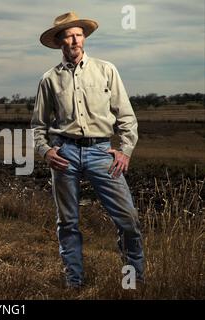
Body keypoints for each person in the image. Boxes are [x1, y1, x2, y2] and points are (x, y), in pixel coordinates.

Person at [31, 12, 144, 288]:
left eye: (78, 34)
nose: (74, 40)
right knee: (68, 222)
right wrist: (46, 151)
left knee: (128, 219)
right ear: (60, 42)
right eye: (68, 35)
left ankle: (135, 281)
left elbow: (126, 117)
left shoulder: (106, 70)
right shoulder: (49, 80)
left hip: (101, 153)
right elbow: (38, 125)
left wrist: (125, 150)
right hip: (65, 154)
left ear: (84, 38)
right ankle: (74, 283)